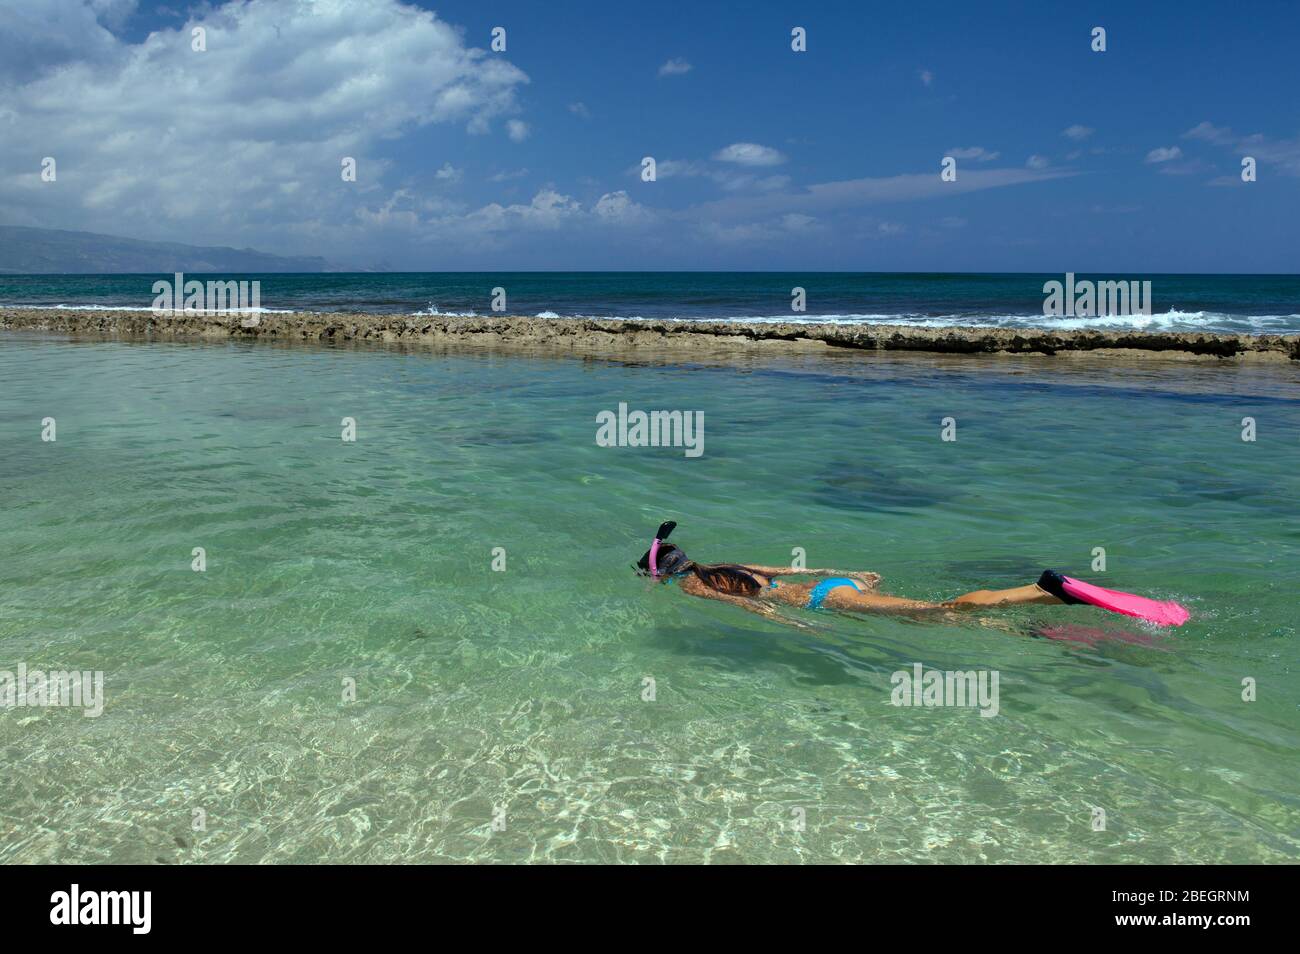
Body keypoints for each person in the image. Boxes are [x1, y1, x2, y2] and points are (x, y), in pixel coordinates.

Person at [635, 522, 1189, 627]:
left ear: (661, 574)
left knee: (938, 611)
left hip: (829, 604)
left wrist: (798, 627)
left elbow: (747, 606)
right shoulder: (727, 563)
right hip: (836, 586)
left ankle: (1040, 589)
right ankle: (1045, 616)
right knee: (938, 622)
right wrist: (847, 571)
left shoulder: (692, 585)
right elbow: (788, 568)